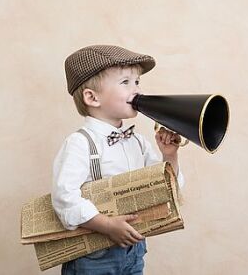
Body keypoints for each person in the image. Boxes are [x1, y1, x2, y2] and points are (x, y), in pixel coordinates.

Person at [52, 44, 184, 275]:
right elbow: (64, 198)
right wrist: (107, 225)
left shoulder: (138, 142)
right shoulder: (80, 143)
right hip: (95, 258)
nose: (136, 90)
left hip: (134, 250)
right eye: (125, 82)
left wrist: (169, 155)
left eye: (137, 82)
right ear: (92, 97)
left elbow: (168, 189)